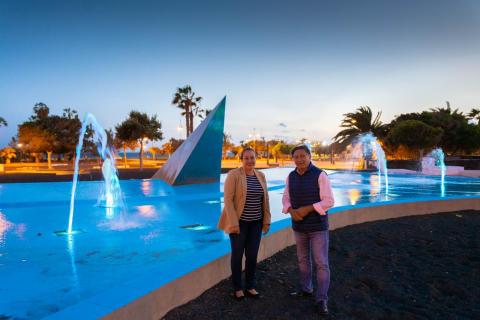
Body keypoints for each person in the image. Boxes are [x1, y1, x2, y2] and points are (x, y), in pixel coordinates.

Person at [282, 144, 335, 315]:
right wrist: (291, 211)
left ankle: (322, 299)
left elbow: (329, 201)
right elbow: (286, 198)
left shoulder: (320, 175)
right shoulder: (291, 176)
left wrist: (306, 209)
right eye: (296, 157)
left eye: (302, 156)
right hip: (299, 227)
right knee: (303, 260)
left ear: (309, 156)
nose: (299, 159)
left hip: (318, 227)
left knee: (321, 263)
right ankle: (306, 289)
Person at [217, 147, 271, 300]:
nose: (250, 161)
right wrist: (234, 223)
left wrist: (266, 221)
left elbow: (265, 199)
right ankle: (237, 288)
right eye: (246, 158)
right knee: (237, 255)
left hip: (256, 223)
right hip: (240, 224)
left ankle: (250, 286)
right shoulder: (234, 175)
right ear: (241, 160)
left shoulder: (261, 175)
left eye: (252, 157)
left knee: (252, 256)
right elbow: (227, 200)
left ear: (256, 158)